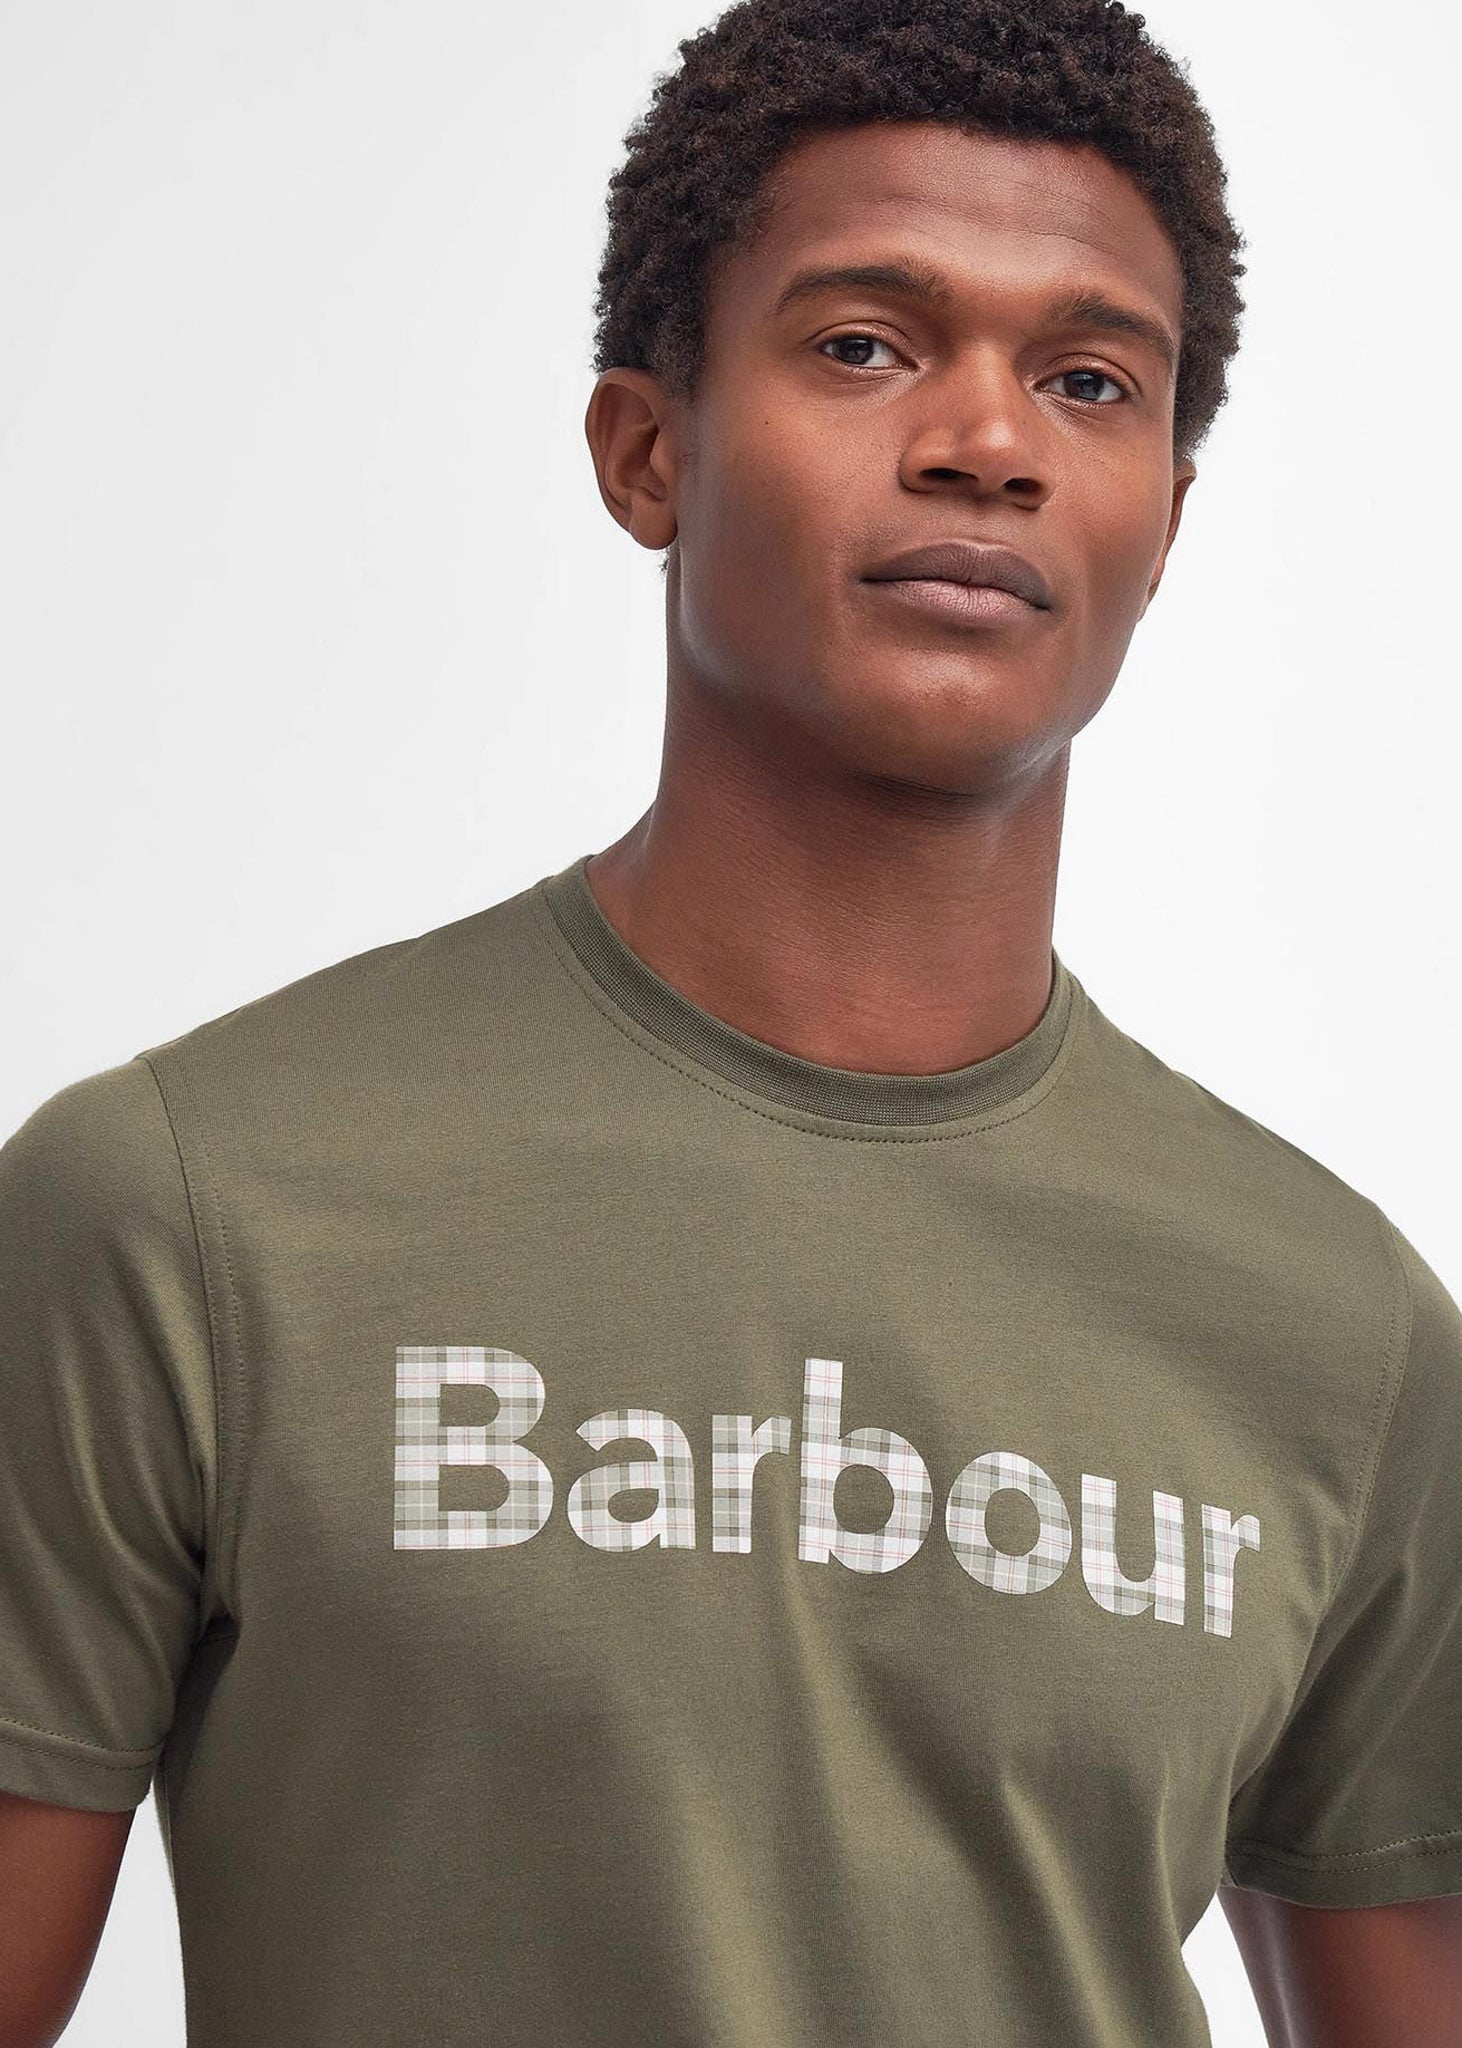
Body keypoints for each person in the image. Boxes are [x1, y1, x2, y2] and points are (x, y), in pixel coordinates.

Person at [1, 0, 1458, 2041]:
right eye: (862, 344)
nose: (984, 440)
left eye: (1086, 379)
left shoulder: (1341, 1336)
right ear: (645, 451)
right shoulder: (184, 1204)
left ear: (1162, 523)